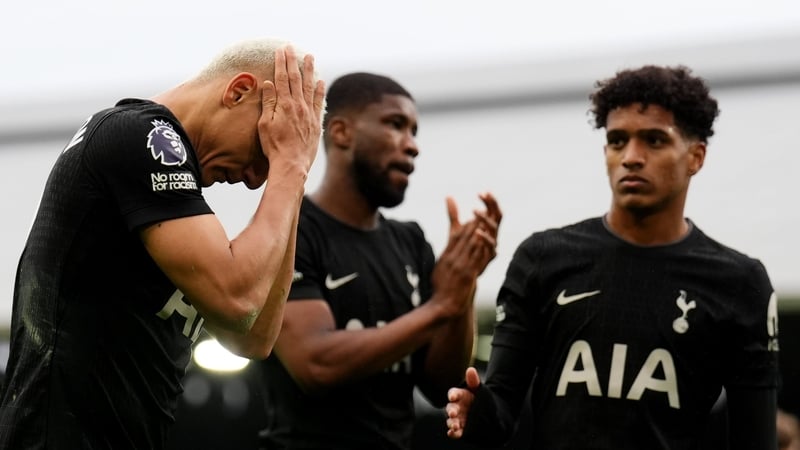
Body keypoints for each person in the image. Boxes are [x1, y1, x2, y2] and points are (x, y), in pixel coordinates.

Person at [0, 37, 325, 449]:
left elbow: (253, 337)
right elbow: (238, 301)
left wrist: (293, 175)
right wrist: (290, 167)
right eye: (265, 150)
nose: (256, 180)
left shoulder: (165, 187)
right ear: (238, 91)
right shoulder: (140, 135)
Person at [445, 65, 780, 449]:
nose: (631, 157)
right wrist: (476, 410)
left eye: (654, 140)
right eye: (618, 141)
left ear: (695, 157)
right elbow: (500, 416)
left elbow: (757, 439)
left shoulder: (740, 282)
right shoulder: (543, 258)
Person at [255, 72, 501, 449]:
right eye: (395, 124)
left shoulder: (410, 241)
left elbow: (441, 387)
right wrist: (440, 308)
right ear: (341, 132)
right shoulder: (292, 231)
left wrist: (464, 286)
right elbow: (315, 365)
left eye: (414, 131)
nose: (412, 146)